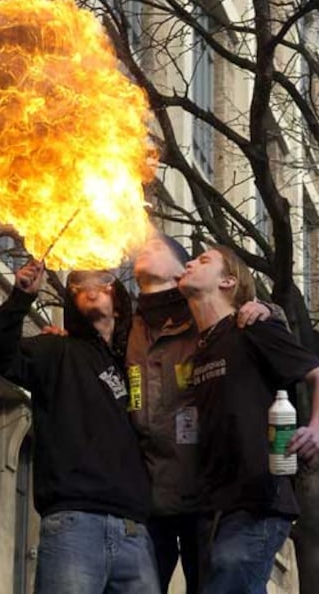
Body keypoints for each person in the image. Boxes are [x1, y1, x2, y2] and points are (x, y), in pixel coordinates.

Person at [0, 261, 161, 594]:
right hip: (75, 525)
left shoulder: (136, 366)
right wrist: (20, 299)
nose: (91, 289)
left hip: (134, 531)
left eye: (102, 281)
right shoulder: (56, 350)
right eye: (78, 286)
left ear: (118, 302)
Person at [178, 245, 319, 594]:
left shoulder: (252, 327)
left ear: (228, 281)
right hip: (209, 507)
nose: (189, 262)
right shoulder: (198, 346)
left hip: (257, 501)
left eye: (203, 261)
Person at [127, 234, 273, 593]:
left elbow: (250, 322)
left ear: (182, 271)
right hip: (152, 496)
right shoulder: (127, 327)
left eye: (159, 248)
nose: (146, 246)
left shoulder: (205, 314)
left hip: (207, 498)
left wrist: (268, 309)